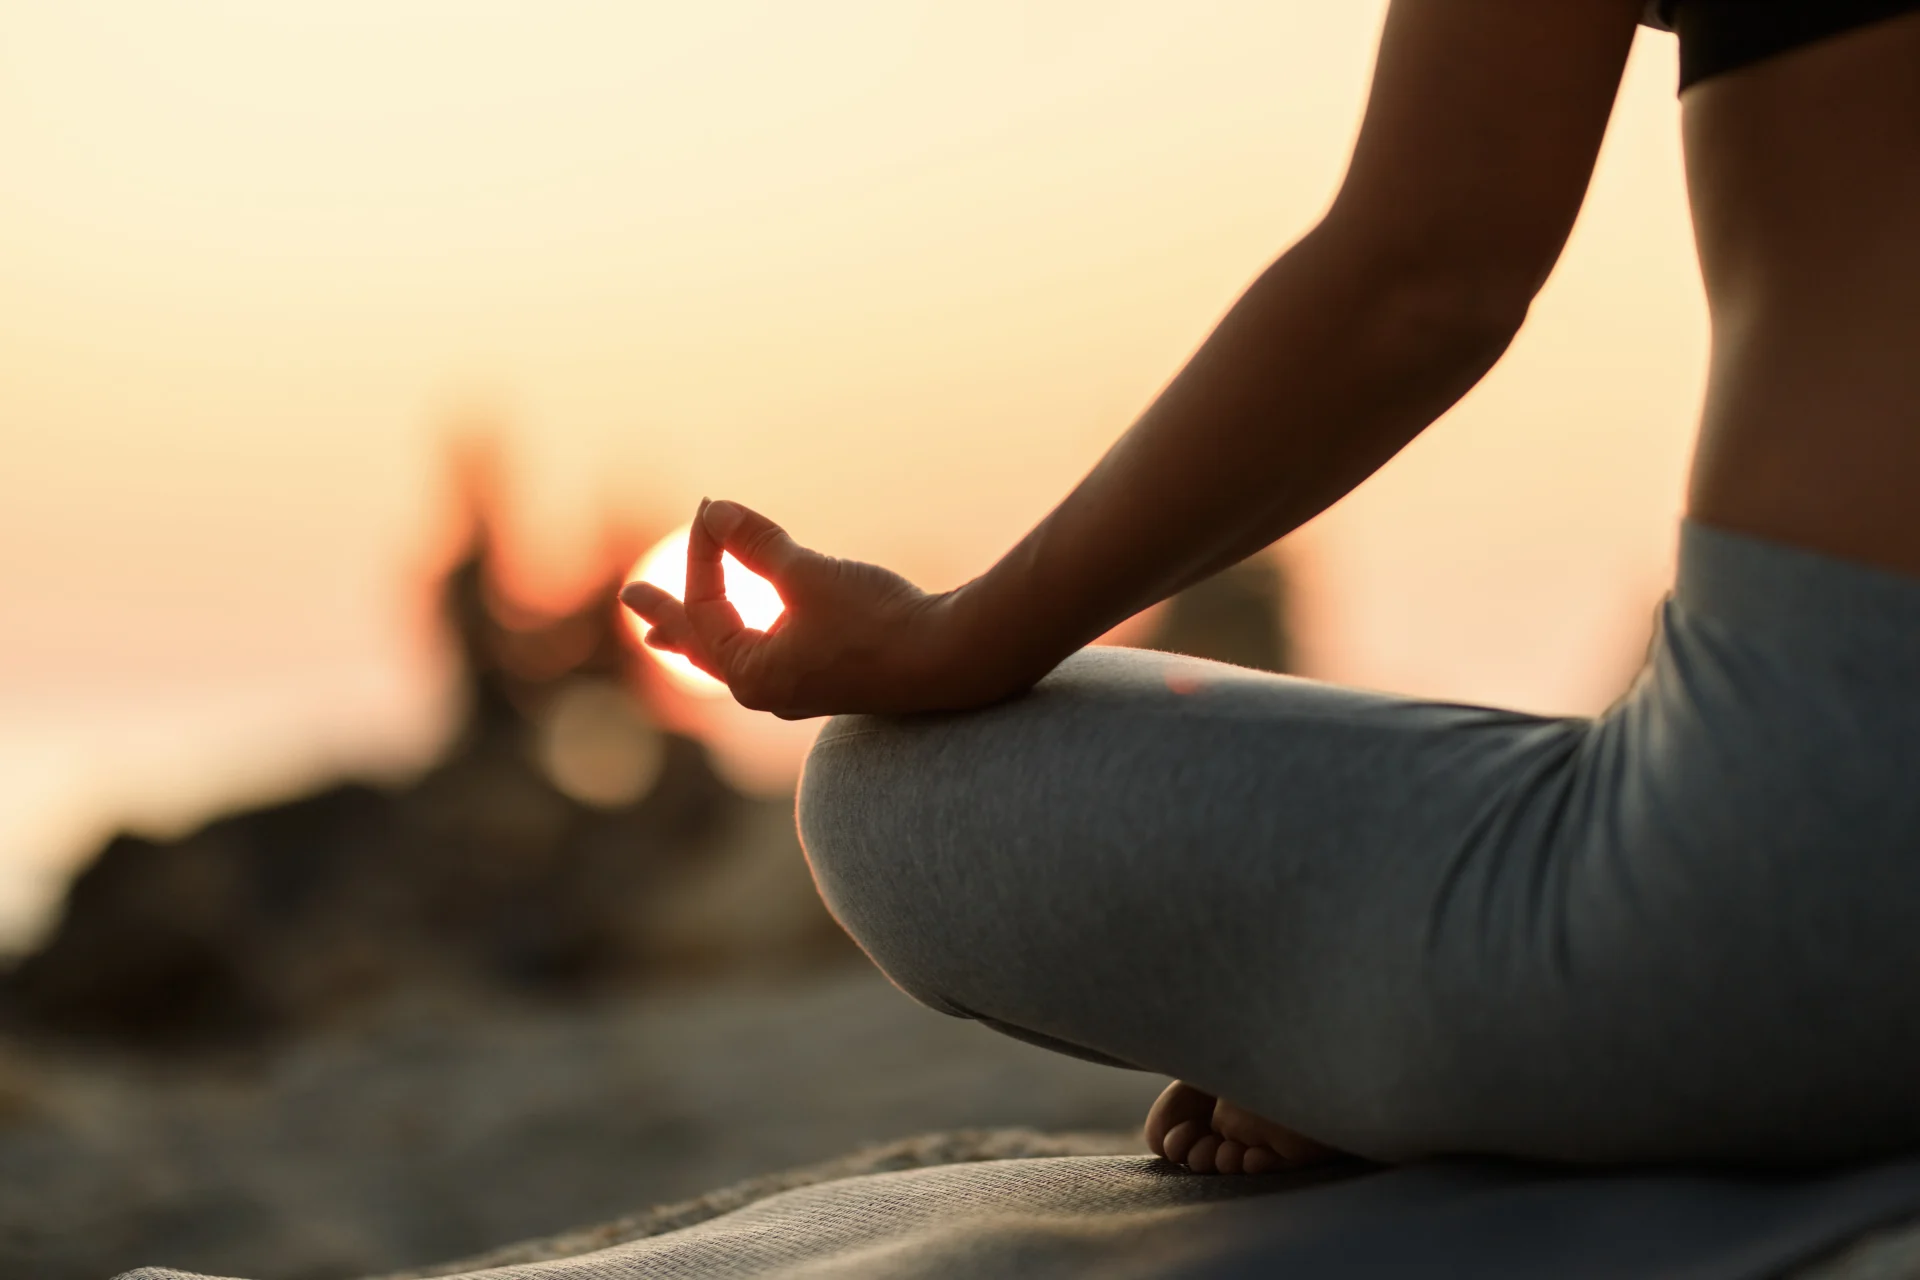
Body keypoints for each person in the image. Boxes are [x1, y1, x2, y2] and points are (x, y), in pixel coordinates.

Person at [621, 0, 1920, 1174]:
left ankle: (1399, 1050)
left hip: (1833, 876)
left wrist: (951, 640)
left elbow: (1427, 277)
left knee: (887, 788)